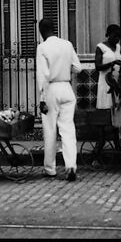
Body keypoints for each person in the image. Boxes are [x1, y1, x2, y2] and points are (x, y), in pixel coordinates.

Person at [36, 18, 82, 181]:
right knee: (68, 130)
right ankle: (71, 166)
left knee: (50, 130)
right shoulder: (67, 44)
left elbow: (43, 76)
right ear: (54, 28)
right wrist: (64, 68)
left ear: (41, 31)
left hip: (51, 90)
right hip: (67, 88)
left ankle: (50, 169)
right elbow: (78, 67)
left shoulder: (42, 47)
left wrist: (42, 99)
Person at [95, 24, 121, 109]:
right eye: (115, 36)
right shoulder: (100, 47)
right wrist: (112, 63)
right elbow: (98, 66)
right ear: (108, 35)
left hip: (116, 79)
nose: (117, 39)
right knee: (106, 104)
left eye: (119, 37)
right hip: (105, 80)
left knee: (116, 105)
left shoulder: (118, 47)